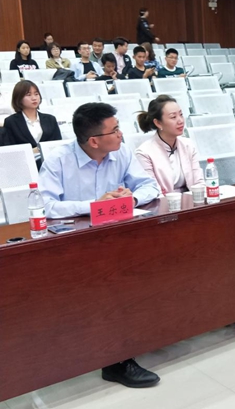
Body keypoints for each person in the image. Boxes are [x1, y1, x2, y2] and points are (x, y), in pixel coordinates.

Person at [38, 102, 160, 388]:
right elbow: (44, 206)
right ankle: (116, 360)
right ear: (94, 141)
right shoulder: (58, 160)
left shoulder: (122, 152)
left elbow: (150, 186)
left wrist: (129, 198)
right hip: (73, 243)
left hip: (116, 238)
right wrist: (93, 205)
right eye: (114, 130)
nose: (121, 134)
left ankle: (141, 340)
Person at [135, 95, 203, 194]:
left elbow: (199, 182)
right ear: (158, 123)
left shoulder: (188, 145)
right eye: (173, 117)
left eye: (181, 115)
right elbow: (152, 190)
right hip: (164, 202)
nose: (180, 121)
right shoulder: (144, 153)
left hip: (192, 199)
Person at [3, 80, 61, 167]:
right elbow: (10, 150)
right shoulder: (11, 121)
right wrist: (32, 151)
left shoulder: (50, 119)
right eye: (28, 95)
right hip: (24, 165)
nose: (34, 98)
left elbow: (58, 145)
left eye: (36, 94)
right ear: (19, 98)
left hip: (51, 164)